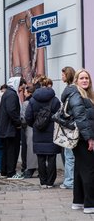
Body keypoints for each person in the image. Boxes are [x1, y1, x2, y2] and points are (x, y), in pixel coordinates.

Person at [61, 69, 94, 214]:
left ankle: (78, 202)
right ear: (76, 80)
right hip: (83, 139)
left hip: (82, 138)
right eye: (82, 78)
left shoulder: (85, 94)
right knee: (89, 171)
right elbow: (81, 118)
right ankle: (90, 204)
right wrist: (90, 138)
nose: (85, 80)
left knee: (80, 170)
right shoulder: (76, 94)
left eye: (87, 78)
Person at [25, 77, 61, 188]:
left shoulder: (32, 100)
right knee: (51, 158)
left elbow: (28, 117)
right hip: (52, 133)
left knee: (40, 158)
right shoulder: (55, 100)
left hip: (38, 132)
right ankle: (50, 182)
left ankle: (43, 182)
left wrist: (35, 125)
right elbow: (59, 116)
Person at [0, 77, 25, 179]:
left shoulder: (7, 93)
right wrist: (18, 122)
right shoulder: (12, 95)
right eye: (21, 87)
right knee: (12, 151)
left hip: (5, 128)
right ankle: (11, 172)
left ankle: (5, 171)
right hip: (10, 128)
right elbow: (11, 111)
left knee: (6, 151)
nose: (21, 90)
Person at [60, 66, 76, 189]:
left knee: (69, 155)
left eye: (63, 75)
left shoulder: (69, 90)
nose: (61, 77)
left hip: (71, 127)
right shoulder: (75, 89)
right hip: (74, 125)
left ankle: (70, 181)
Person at [21, 84, 38, 178]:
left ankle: (30, 169)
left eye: (25, 92)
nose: (24, 93)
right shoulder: (38, 101)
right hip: (39, 127)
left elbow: (24, 117)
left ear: (29, 93)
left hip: (29, 127)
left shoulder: (26, 103)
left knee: (30, 148)